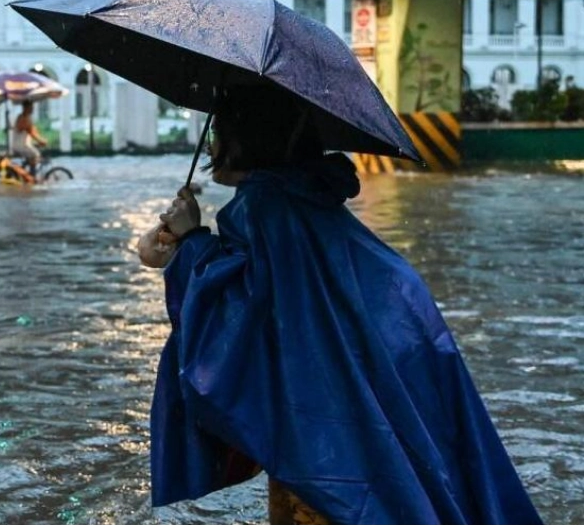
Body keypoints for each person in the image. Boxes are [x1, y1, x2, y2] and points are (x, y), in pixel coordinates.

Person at [138, 86, 541, 526]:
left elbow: (236, 317)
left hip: (326, 403)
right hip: (404, 345)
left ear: (244, 137)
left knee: (333, 495)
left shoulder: (264, 206)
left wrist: (192, 241)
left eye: (217, 129)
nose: (211, 143)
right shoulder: (307, 195)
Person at [10, 100, 48, 175]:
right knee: (35, 154)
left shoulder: (27, 118)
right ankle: (31, 175)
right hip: (20, 145)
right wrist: (41, 141)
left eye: (32, 107)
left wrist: (41, 139)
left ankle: (28, 172)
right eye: (30, 107)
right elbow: (31, 132)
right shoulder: (23, 118)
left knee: (33, 155)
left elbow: (34, 131)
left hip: (24, 144)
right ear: (25, 108)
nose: (32, 109)